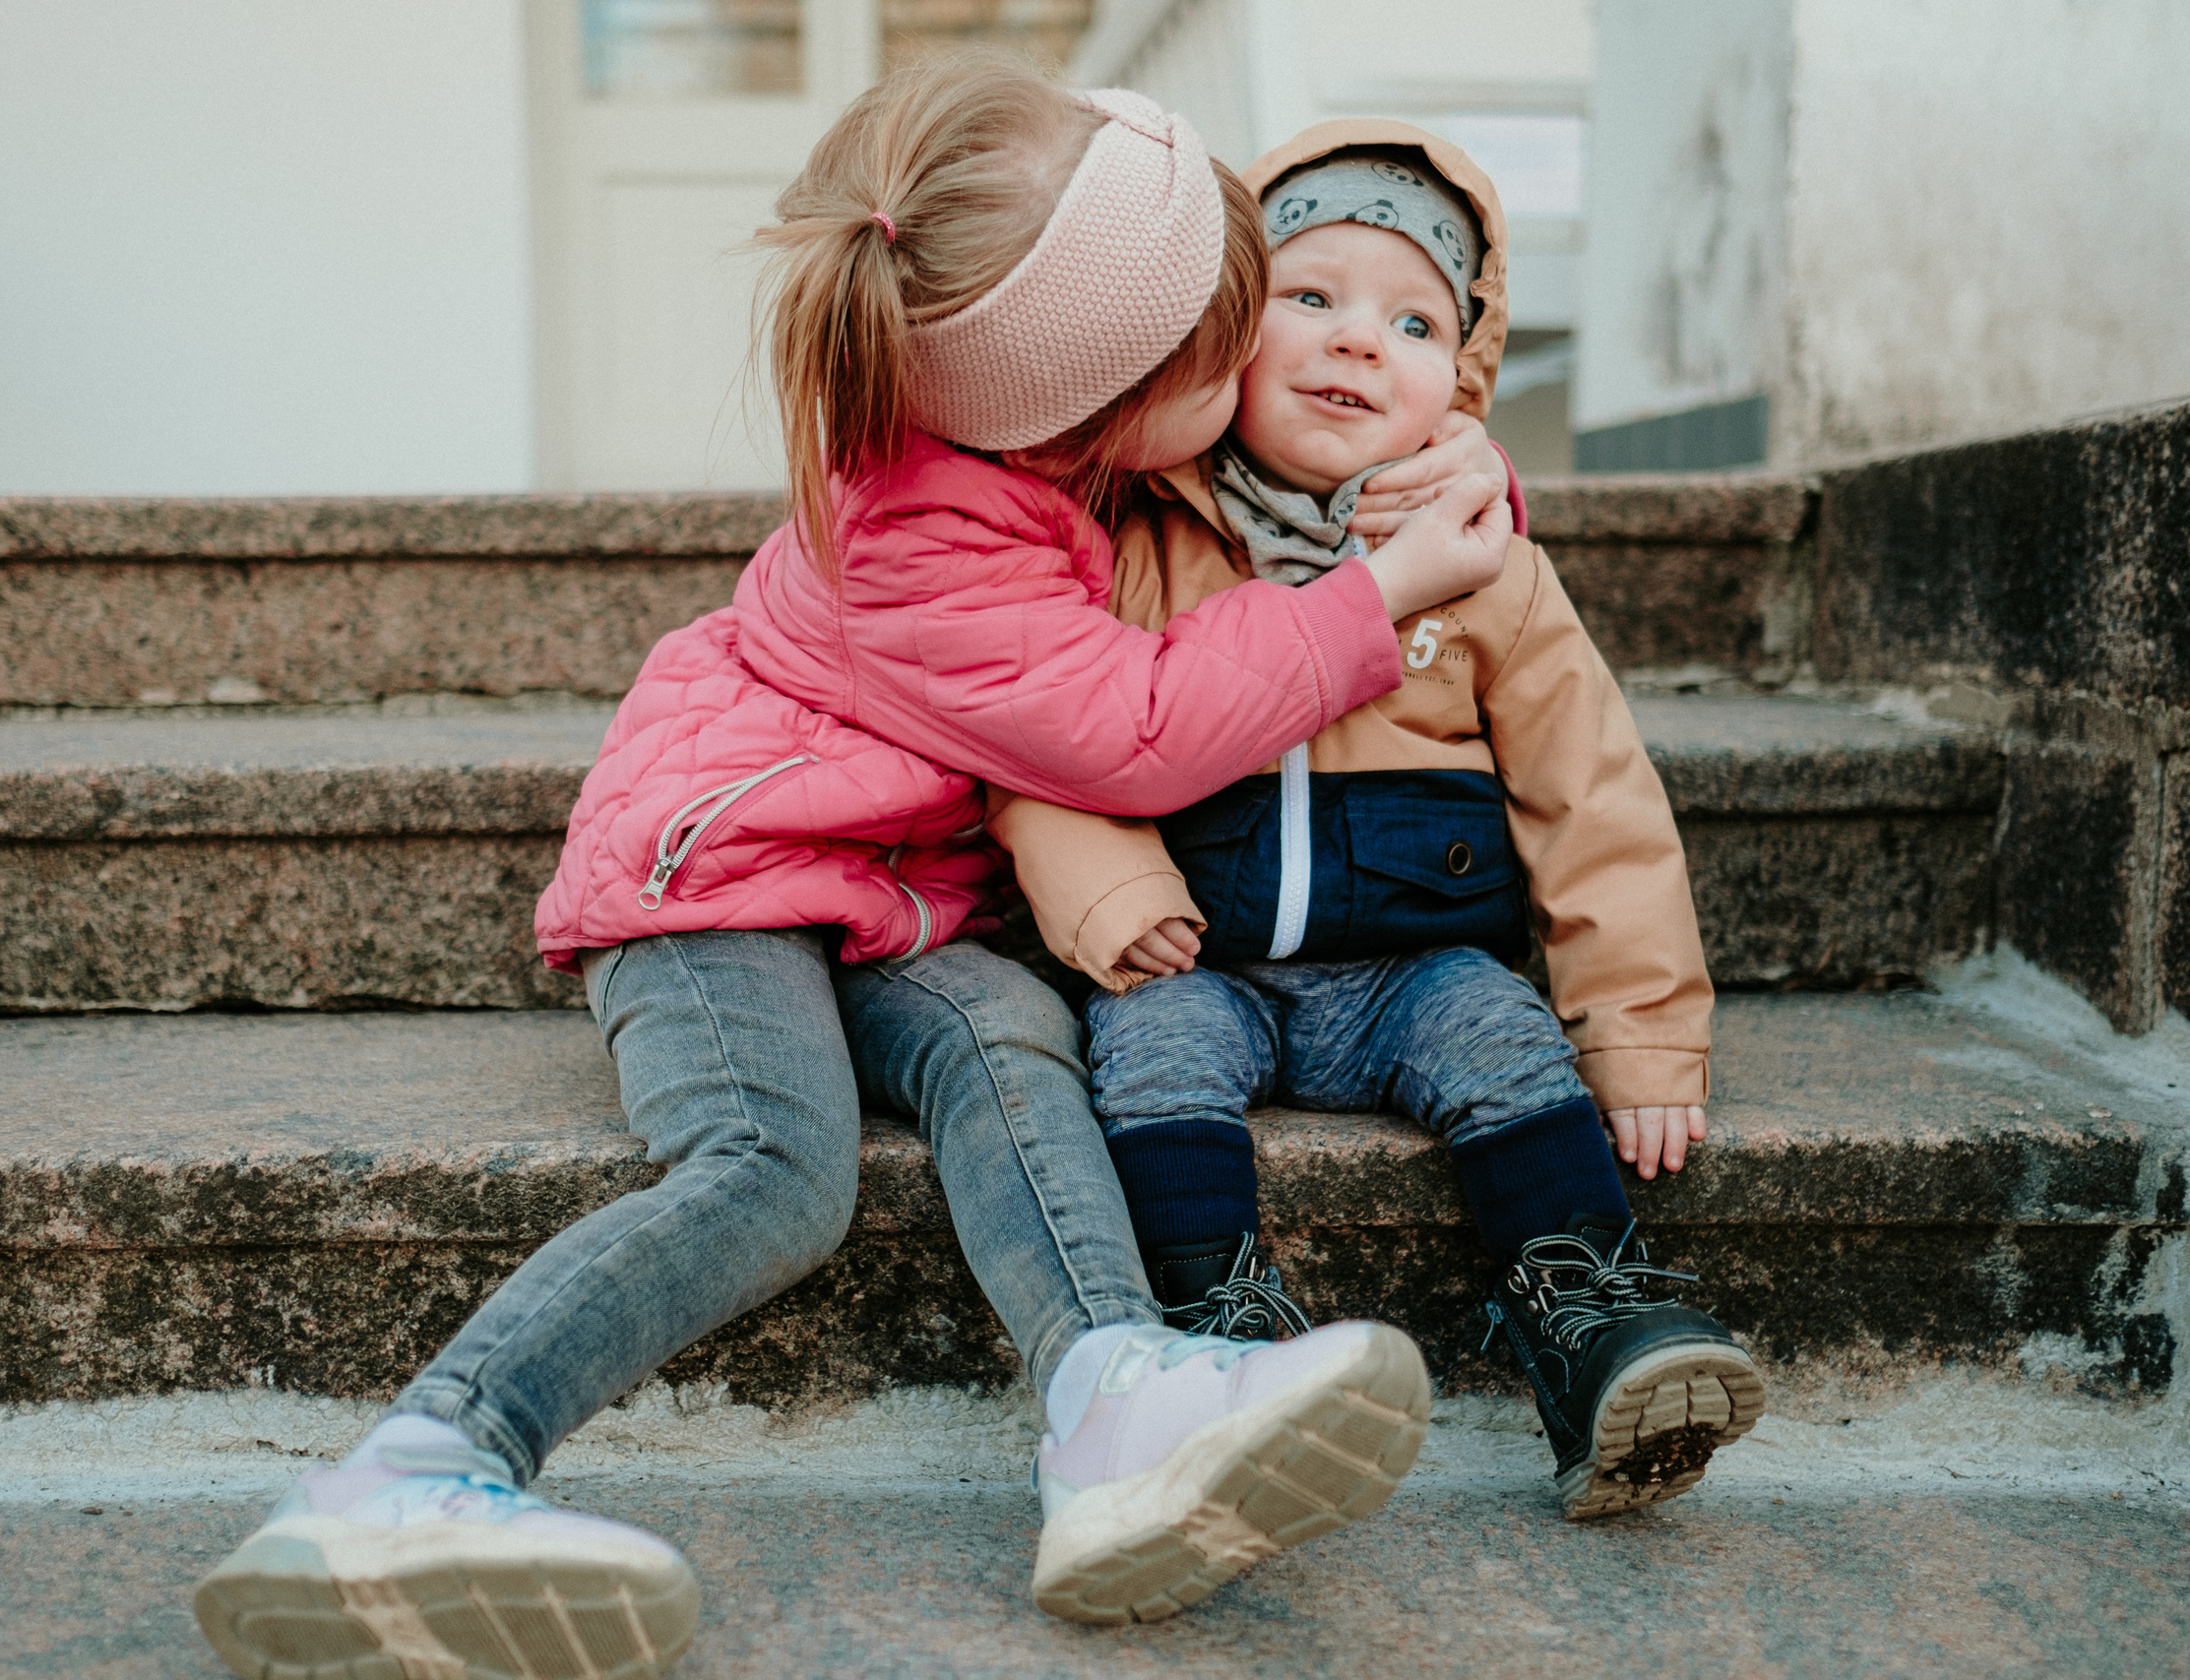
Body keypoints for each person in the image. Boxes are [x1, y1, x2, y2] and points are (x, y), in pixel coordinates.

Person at [193, 63, 1518, 1677]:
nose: (1269, 347)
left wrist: (1443, 467)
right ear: (1104, 413)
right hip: (723, 879)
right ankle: (417, 1469)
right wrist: (1379, 600)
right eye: (1234, 323)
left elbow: (1291, 451)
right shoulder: (919, 533)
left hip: (885, 887)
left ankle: (1118, 1406)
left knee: (1011, 1046)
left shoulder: (1038, 422)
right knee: (775, 1170)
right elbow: (1136, 726)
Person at [989, 119, 1767, 1524]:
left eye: (1413, 320)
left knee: (1501, 1035)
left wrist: (1641, 1032)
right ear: (1225, 325)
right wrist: (1106, 896)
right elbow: (1041, 734)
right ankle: (1223, 1343)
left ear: (1459, 376)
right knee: (1144, 1049)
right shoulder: (1134, 536)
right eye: (1312, 297)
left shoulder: (1486, 570)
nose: (1359, 342)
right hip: (1198, 959)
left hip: (1410, 971)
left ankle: (1591, 1325)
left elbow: (1592, 800)